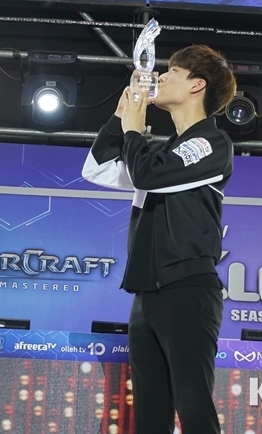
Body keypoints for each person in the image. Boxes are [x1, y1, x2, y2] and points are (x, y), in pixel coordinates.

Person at [81, 44, 237, 434]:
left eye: (173, 72)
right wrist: (121, 116)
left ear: (197, 85)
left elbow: (149, 175)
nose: (161, 77)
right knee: (150, 415)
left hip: (187, 289)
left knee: (192, 404)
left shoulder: (211, 143)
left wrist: (135, 129)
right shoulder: (162, 152)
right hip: (146, 294)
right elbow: (97, 169)